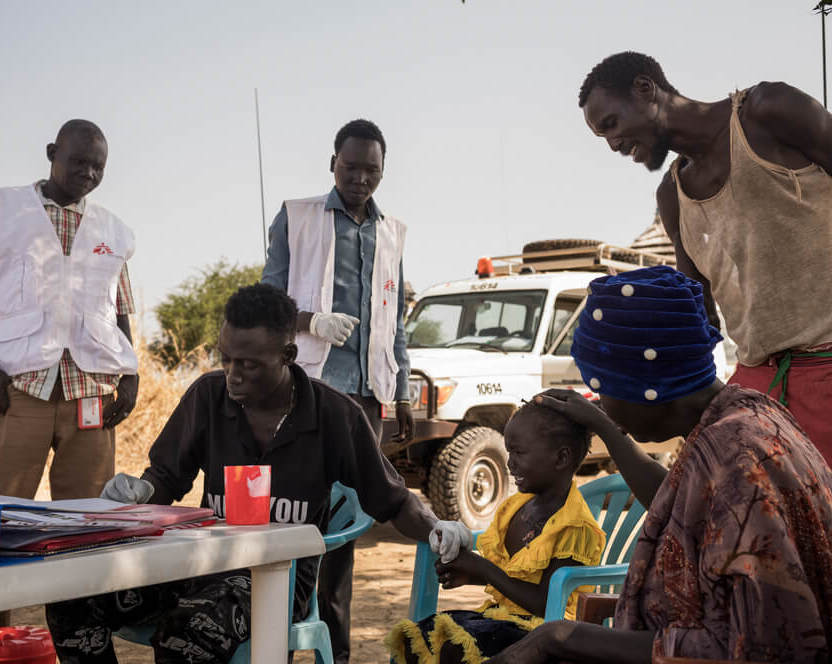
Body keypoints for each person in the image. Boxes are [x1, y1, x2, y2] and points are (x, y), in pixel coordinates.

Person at [45, 284, 472, 663]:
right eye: (226, 359)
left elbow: (393, 501)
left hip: (275, 579)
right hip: (194, 564)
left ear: (287, 356)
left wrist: (438, 529)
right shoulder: (208, 397)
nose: (233, 375)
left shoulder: (334, 415)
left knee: (186, 635)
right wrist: (139, 491)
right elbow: (166, 478)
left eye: (248, 365)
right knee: (72, 600)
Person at [486, 266, 832, 663]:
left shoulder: (740, 463)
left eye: (603, 389)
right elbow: (677, 504)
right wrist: (603, 425)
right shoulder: (744, 418)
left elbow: (754, 648)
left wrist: (560, 638)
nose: (606, 408)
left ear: (645, 386)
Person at [578, 51, 832, 507]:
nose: (612, 143)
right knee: (754, 534)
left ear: (644, 89)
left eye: (611, 123)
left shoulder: (768, 112)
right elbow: (697, 316)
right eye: (602, 136)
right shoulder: (672, 194)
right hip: (755, 382)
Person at [260, 117, 414, 664]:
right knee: (294, 517)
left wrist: (402, 388)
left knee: (346, 528)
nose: (360, 178)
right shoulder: (297, 217)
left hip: (365, 400)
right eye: (351, 167)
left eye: (371, 170)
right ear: (333, 163)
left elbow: (394, 318)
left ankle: (336, 650)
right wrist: (310, 322)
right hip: (307, 392)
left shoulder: (392, 230)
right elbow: (266, 302)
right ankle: (272, 637)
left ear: (382, 171)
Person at [0, 119, 138, 501]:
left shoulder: (112, 230)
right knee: (2, 512)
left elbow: (119, 310)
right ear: (52, 154)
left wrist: (130, 374)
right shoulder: (2, 211)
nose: (89, 173)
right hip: (18, 388)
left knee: (89, 519)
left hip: (92, 393)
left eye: (98, 166)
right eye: (78, 161)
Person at [386, 401, 605, 664]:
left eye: (519, 453)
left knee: (455, 647)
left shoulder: (574, 527)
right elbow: (515, 576)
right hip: (502, 618)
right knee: (418, 638)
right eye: (508, 452)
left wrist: (484, 569)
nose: (510, 464)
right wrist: (472, 575)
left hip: (546, 632)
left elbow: (545, 603)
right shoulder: (515, 507)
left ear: (561, 458)